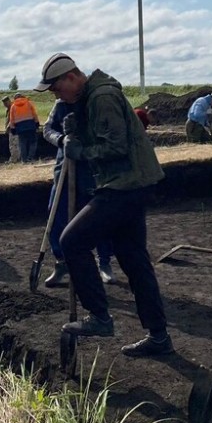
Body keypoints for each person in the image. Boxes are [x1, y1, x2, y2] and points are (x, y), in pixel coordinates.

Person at [35, 52, 173, 357]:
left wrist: (80, 149)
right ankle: (159, 336)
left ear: (71, 77)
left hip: (124, 185)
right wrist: (77, 128)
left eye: (57, 88)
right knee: (134, 260)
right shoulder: (89, 98)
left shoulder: (103, 97)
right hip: (131, 184)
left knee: (71, 240)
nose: (56, 95)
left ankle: (99, 317)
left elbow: (116, 146)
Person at [41, 98, 117, 286]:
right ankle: (62, 262)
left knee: (99, 219)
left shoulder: (95, 103)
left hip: (92, 169)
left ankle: (104, 262)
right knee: (56, 215)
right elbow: (47, 129)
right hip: (65, 168)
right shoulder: (60, 105)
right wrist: (62, 139)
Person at [9, 92, 40, 162]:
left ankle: (24, 160)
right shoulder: (29, 103)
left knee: (22, 143)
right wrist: (37, 123)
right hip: (30, 125)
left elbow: (11, 119)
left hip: (19, 127)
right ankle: (30, 157)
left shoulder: (13, 106)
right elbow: (34, 114)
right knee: (33, 142)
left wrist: (12, 128)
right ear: (23, 96)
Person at [1, 96, 21, 163]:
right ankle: (16, 158)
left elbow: (12, 119)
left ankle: (14, 159)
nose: (5, 105)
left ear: (9, 101)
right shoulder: (9, 108)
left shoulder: (13, 107)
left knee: (13, 145)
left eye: (6, 103)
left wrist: (7, 127)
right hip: (13, 129)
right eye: (4, 104)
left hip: (14, 129)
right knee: (14, 144)